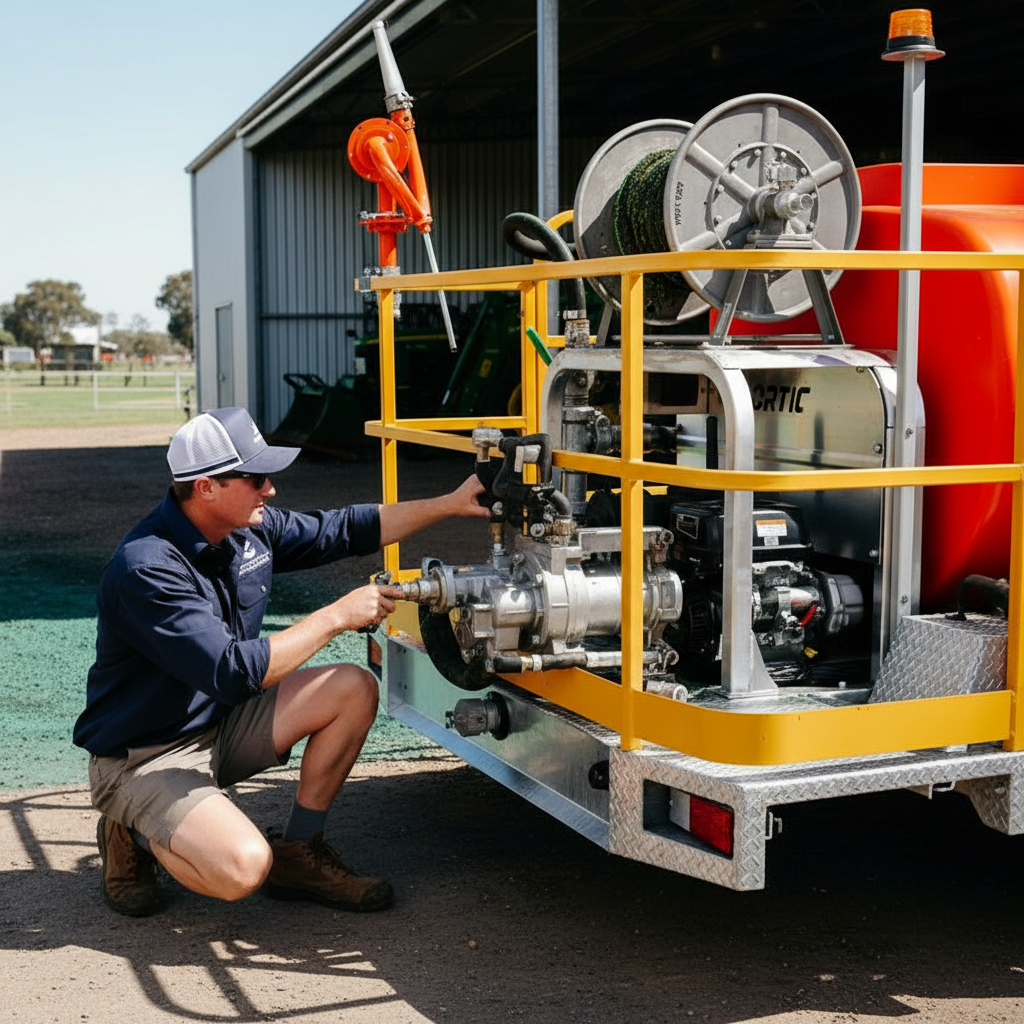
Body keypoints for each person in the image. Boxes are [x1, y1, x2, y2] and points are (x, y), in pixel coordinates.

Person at [73, 406, 489, 917]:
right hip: (149, 754)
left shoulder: (245, 529)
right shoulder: (147, 568)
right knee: (243, 869)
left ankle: (298, 853)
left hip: (220, 724)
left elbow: (347, 529)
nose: (270, 489)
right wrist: (336, 616)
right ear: (205, 487)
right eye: (256, 478)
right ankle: (132, 827)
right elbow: (233, 672)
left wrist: (451, 503)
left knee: (353, 688)